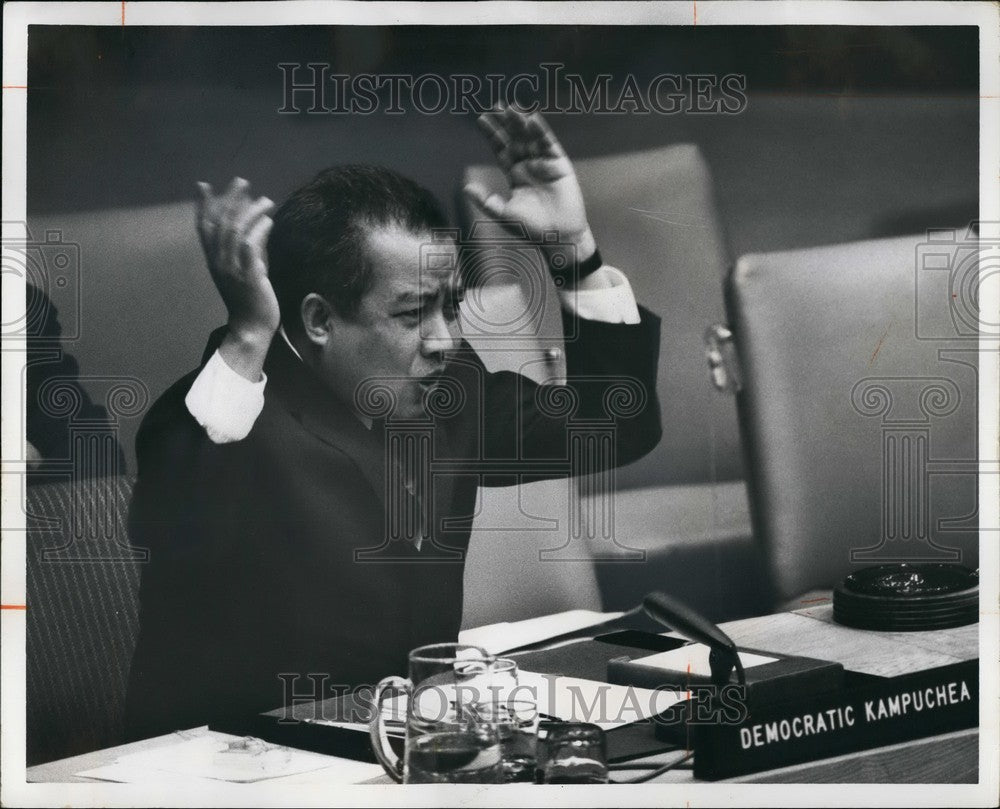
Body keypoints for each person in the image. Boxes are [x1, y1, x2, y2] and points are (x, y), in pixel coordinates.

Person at [123, 107, 663, 741]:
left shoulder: (448, 388)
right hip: (237, 765)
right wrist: (247, 336)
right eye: (413, 314)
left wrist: (574, 253)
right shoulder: (225, 410)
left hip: (411, 750)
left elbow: (616, 424)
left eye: (451, 306)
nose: (444, 340)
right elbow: (170, 518)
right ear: (320, 320)